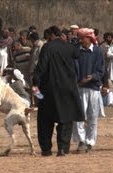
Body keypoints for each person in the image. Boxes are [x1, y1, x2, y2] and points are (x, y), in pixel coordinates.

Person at [32, 25, 84, 157]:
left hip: (49, 88)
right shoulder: (69, 47)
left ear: (51, 35)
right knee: (65, 119)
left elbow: (41, 67)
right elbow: (77, 54)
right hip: (67, 88)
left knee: (45, 120)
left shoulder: (47, 47)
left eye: (47, 37)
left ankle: (46, 149)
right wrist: (75, 41)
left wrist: (35, 83)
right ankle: (62, 148)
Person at [72, 28, 104, 153]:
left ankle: (90, 142)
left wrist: (93, 77)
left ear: (89, 38)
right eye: (80, 38)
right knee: (79, 115)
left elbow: (101, 70)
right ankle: (81, 141)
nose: (81, 40)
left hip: (93, 88)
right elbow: (72, 68)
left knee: (92, 116)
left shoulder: (97, 51)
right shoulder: (76, 52)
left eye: (83, 38)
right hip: (79, 88)